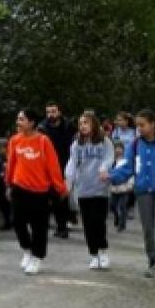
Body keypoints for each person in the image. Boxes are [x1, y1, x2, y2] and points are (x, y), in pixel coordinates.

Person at [104, 110, 155, 280]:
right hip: (143, 192)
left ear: (152, 124)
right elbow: (126, 166)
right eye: (137, 125)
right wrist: (112, 176)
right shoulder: (135, 145)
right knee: (148, 228)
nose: (139, 128)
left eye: (142, 125)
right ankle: (152, 261)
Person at [6, 109, 68, 276]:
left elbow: (53, 166)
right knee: (17, 221)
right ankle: (26, 249)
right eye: (18, 119)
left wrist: (60, 187)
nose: (18, 122)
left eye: (22, 119)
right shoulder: (14, 141)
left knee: (39, 226)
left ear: (32, 122)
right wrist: (8, 184)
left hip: (40, 191)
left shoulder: (43, 141)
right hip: (19, 188)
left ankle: (37, 256)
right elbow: (11, 164)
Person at [66, 111, 114, 269]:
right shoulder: (76, 144)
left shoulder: (104, 141)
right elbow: (72, 164)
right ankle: (93, 254)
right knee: (87, 224)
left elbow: (109, 157)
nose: (83, 126)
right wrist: (68, 182)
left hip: (100, 189)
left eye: (86, 122)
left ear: (93, 123)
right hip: (84, 189)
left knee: (99, 222)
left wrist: (104, 168)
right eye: (80, 123)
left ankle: (103, 251)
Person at [39, 103, 76, 238]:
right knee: (49, 197)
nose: (51, 115)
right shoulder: (42, 128)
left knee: (62, 197)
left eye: (53, 111)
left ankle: (62, 226)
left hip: (66, 165)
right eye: (48, 112)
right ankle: (56, 225)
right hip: (48, 167)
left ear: (59, 112)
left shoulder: (69, 127)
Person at [108, 142, 131, 232]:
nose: (118, 150)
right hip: (113, 187)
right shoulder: (111, 161)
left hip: (124, 187)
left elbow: (130, 173)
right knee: (112, 205)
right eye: (116, 148)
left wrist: (130, 185)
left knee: (122, 205)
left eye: (120, 148)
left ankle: (122, 224)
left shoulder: (126, 160)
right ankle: (117, 217)